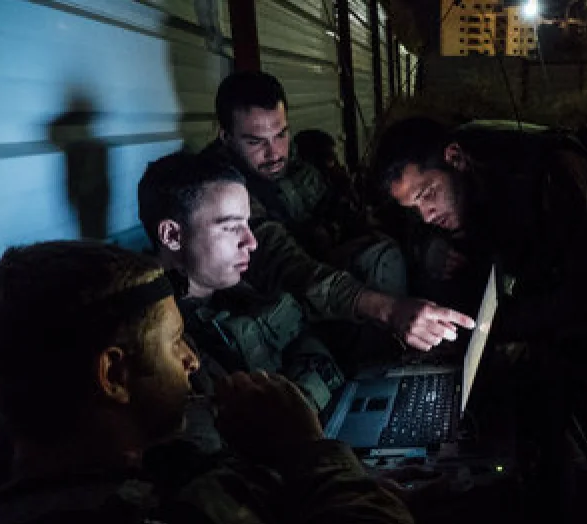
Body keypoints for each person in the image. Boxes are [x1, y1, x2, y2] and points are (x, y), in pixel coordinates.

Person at [0, 240, 431, 524]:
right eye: (175, 342)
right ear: (114, 374)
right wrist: (311, 454)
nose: (192, 360)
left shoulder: (136, 484)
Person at [372, 116, 587, 524]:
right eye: (413, 207)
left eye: (428, 195)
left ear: (455, 158)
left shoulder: (554, 172)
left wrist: (497, 328)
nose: (426, 212)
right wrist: (432, 247)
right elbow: (413, 227)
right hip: (521, 273)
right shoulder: (450, 184)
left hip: (575, 292)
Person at [199, 71, 475, 354]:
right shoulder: (218, 189)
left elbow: (359, 217)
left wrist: (423, 247)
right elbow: (286, 266)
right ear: (227, 137)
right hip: (288, 316)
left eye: (281, 134)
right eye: (256, 142)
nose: (275, 153)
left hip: (332, 290)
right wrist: (388, 309)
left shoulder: (296, 166)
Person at [137, 151, 344, 417]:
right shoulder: (165, 341)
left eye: (247, 224)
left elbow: (314, 349)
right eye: (231, 227)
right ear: (172, 235)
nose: (252, 242)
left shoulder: (239, 287)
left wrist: (298, 403)